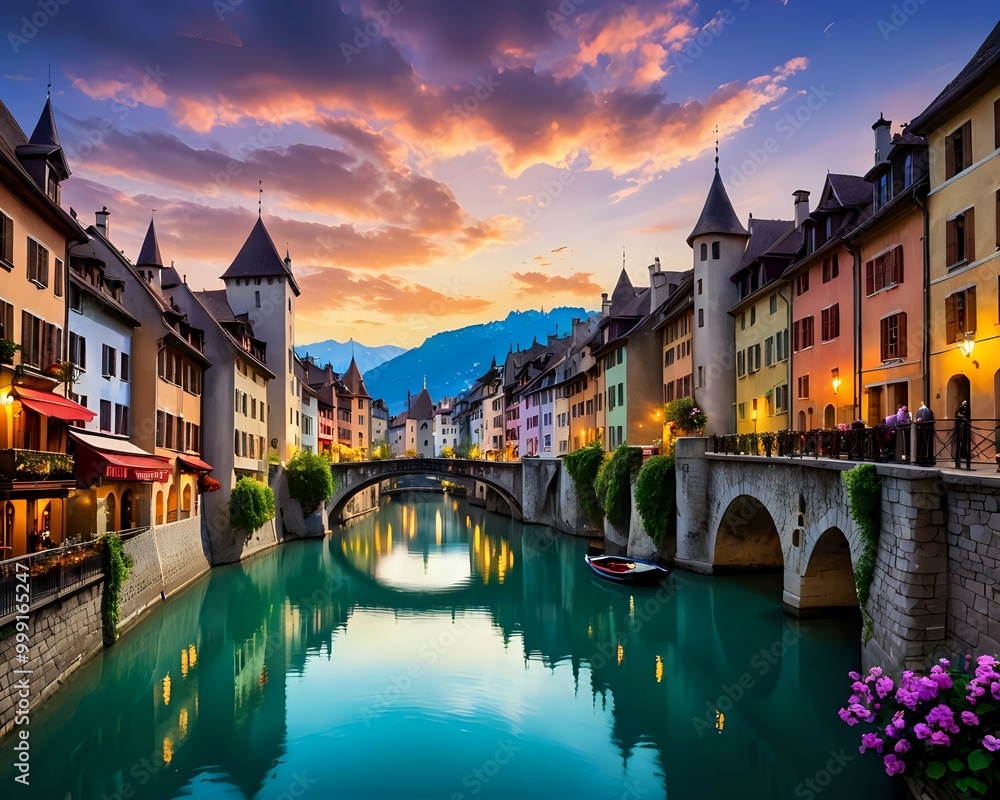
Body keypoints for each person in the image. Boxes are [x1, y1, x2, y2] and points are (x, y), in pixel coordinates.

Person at [954, 400, 971, 468]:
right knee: (959, 442)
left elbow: (967, 415)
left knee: (964, 442)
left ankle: (967, 462)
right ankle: (958, 460)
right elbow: (956, 412)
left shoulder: (966, 409)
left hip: (965, 428)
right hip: (960, 427)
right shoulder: (960, 408)